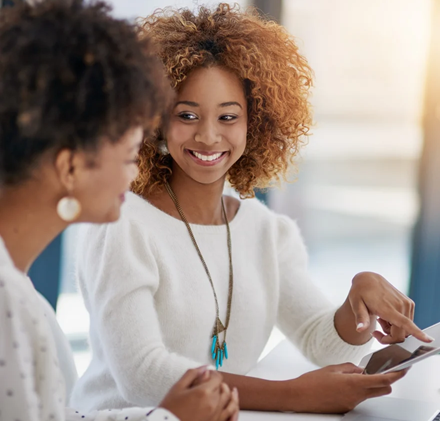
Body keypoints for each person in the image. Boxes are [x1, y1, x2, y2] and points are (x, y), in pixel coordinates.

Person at [71, 3, 432, 414]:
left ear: (255, 123)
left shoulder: (265, 231)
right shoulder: (121, 223)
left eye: (228, 116)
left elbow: (322, 342)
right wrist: (294, 396)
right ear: (154, 120)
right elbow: (143, 375)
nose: (208, 136)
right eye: (186, 115)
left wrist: (358, 301)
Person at [0, 1, 239, 420]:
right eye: (130, 155)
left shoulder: (18, 290)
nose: (135, 175)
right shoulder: (9, 303)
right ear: (70, 167)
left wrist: (164, 414)